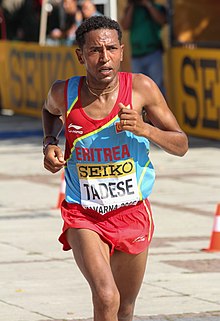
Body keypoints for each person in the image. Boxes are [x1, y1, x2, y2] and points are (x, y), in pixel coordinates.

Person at [42, 15, 188, 321]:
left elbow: (181, 144)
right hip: (84, 212)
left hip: (132, 211)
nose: (104, 58)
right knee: (107, 297)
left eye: (111, 49)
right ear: (80, 55)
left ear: (122, 51)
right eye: (95, 51)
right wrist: (49, 142)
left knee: (124, 309)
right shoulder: (64, 93)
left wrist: (146, 130)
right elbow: (49, 111)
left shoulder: (141, 89)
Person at [121, 0, 167, 96]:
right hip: (136, 55)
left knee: (157, 87)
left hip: (153, 53)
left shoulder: (157, 7)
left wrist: (148, 4)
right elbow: (125, 25)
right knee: (138, 88)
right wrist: (132, 6)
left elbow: (162, 20)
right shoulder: (131, 9)